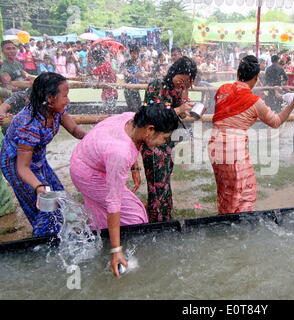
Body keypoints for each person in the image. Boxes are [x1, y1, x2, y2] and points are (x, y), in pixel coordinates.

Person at [70, 103, 180, 277]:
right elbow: (114, 202)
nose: (163, 142)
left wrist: (134, 168)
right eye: (164, 137)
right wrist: (117, 250)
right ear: (150, 130)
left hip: (86, 159)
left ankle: (100, 249)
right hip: (88, 173)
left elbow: (131, 141)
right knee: (135, 218)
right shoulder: (119, 152)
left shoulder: (133, 120)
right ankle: (117, 254)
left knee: (100, 217)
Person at [208, 55, 294, 214]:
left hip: (214, 145)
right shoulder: (254, 101)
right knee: (242, 194)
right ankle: (235, 227)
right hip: (234, 150)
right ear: (256, 78)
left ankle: (224, 221)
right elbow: (276, 122)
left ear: (238, 74)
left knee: (225, 191)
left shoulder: (222, 90)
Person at [0, 73, 86, 236]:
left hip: (37, 159)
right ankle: (41, 245)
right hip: (17, 164)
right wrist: (39, 187)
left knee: (60, 198)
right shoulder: (29, 124)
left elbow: (75, 130)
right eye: (65, 96)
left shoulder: (56, 110)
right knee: (46, 208)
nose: (67, 100)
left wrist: (97, 137)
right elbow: (23, 167)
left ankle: (59, 236)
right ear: (50, 98)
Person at [142, 56, 196, 222]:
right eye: (182, 79)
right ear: (174, 72)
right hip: (153, 143)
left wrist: (187, 110)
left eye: (188, 82)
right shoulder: (157, 86)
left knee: (164, 184)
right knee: (156, 187)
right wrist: (178, 109)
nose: (184, 84)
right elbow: (150, 114)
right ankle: (156, 223)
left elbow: (176, 111)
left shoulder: (176, 89)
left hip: (168, 144)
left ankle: (166, 217)